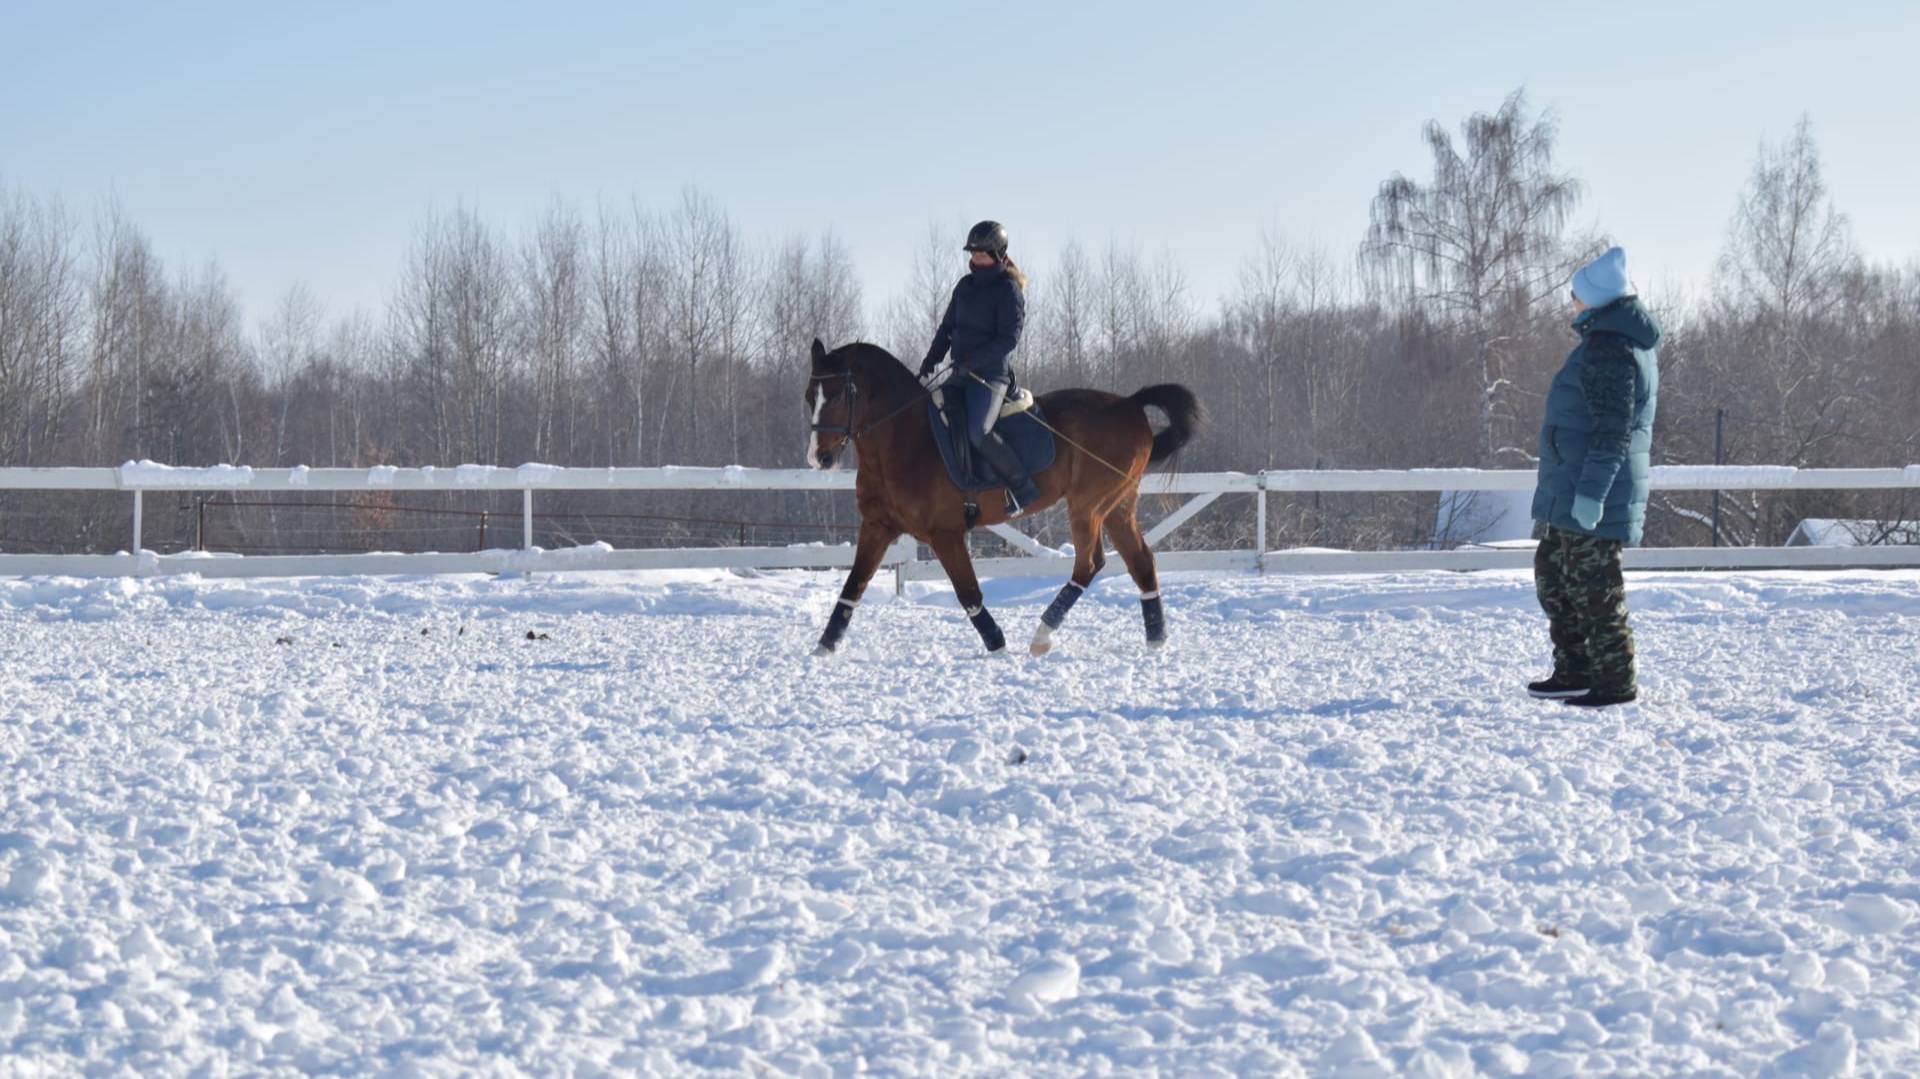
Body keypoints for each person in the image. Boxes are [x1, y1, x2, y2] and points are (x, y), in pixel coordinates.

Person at [1528, 246, 1663, 708]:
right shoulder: (1604, 344)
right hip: (1570, 486)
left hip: (1591, 492)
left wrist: (1591, 494)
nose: (1571, 302)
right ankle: (1575, 669)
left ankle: (1614, 681)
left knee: (1593, 587)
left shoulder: (1611, 350)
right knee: (1555, 574)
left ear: (1596, 300)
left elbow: (1612, 431)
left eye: (1575, 295)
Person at [919, 220, 1039, 514]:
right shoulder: (965, 286)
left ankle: (1022, 487)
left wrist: (972, 363)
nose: (976, 259)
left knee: (977, 431)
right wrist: (931, 360)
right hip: (959, 373)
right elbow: (947, 328)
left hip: (990, 376)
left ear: (997, 254)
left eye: (982, 253)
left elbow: (1008, 339)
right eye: (973, 253)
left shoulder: (1008, 290)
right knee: (931, 418)